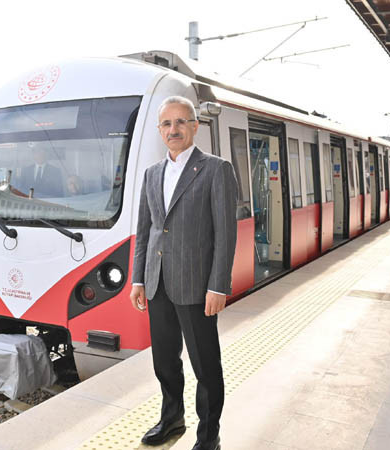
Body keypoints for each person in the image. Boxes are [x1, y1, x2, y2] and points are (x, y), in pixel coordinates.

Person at [130, 96, 238, 450]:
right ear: (160, 130)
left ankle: (209, 437)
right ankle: (172, 419)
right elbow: (145, 232)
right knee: (165, 361)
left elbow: (225, 232)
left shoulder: (215, 170)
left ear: (194, 126)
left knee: (205, 367)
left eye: (180, 122)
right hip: (158, 283)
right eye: (166, 124)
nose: (173, 129)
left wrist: (218, 285)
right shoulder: (151, 174)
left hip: (197, 286)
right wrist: (139, 279)